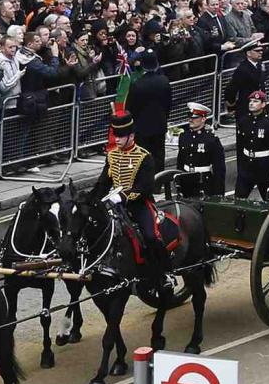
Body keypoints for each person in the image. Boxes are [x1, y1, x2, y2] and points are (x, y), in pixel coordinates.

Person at [86, 103, 165, 304]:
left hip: (138, 205)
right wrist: (90, 200)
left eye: (121, 136)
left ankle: (161, 274)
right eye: (116, 136)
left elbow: (144, 187)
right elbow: (103, 183)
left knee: (150, 236)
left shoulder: (144, 157)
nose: (117, 140)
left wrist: (123, 196)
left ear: (131, 135)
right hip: (115, 207)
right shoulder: (112, 155)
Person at [173, 101, 225, 199]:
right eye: (189, 117)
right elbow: (180, 161)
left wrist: (219, 193)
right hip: (186, 180)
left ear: (203, 119)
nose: (190, 120)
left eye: (194, 117)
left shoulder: (211, 139)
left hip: (203, 182)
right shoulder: (184, 136)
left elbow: (219, 168)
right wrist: (178, 179)